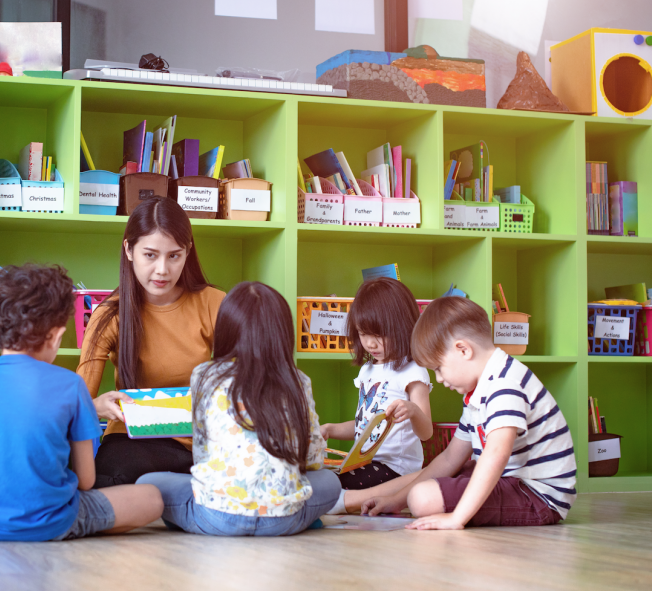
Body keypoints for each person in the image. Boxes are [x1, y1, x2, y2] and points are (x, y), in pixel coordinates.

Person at [0, 264, 163, 541]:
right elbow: (86, 481)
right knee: (152, 497)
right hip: (52, 521)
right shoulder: (72, 386)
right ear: (56, 336)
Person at [137, 282, 341, 536]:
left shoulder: (205, 375)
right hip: (283, 520)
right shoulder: (297, 380)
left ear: (226, 329)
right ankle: (304, 519)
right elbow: (312, 460)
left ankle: (185, 519)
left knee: (147, 482)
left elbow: (201, 453)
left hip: (216, 516)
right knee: (330, 482)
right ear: (282, 332)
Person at [358, 296, 576, 529]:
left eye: (438, 369)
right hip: (513, 481)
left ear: (463, 350)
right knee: (444, 476)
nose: (440, 379)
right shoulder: (480, 389)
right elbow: (451, 457)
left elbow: (495, 455)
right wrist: (395, 501)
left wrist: (457, 518)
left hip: (538, 497)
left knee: (422, 499)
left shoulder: (504, 384)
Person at [77, 196, 226, 487]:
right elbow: (78, 401)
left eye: (174, 255)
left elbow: (245, 382)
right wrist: (96, 405)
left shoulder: (214, 303)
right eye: (150, 255)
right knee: (111, 478)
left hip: (203, 442)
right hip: (132, 440)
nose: (162, 270)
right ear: (129, 250)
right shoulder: (109, 315)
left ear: (188, 252)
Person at [321, 278, 433, 514]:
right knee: (322, 479)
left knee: (330, 486)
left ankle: (340, 503)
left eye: (379, 334)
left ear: (403, 327)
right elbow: (365, 425)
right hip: (366, 463)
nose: (370, 343)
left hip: (396, 468)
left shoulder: (413, 371)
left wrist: (413, 411)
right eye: (363, 333)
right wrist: (330, 429)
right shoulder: (367, 371)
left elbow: (427, 433)